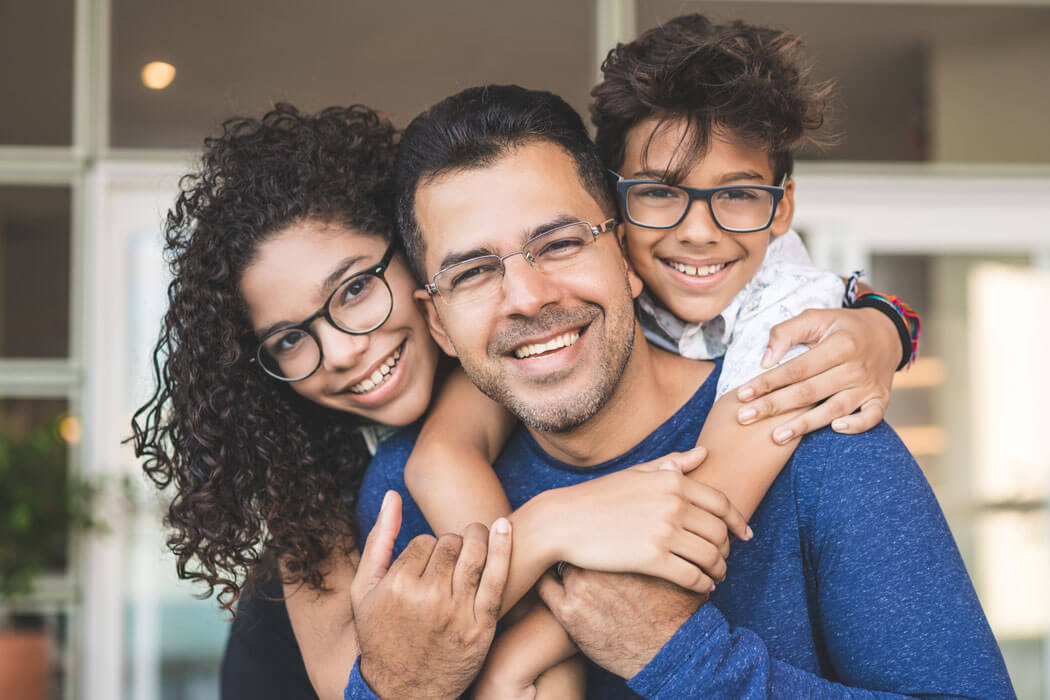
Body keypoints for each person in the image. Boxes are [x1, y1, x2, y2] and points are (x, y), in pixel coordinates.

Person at [131, 103, 813, 699]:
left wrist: (880, 320)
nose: (339, 350)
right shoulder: (308, 493)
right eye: (287, 340)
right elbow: (356, 685)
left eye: (354, 291)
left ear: (417, 257)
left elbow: (790, 290)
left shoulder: (512, 371)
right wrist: (548, 529)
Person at [353, 82, 1013, 697]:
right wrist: (399, 682)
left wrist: (685, 659)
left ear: (628, 256)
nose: (528, 297)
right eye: (472, 273)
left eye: (558, 243)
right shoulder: (401, 494)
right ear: (437, 321)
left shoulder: (821, 440)